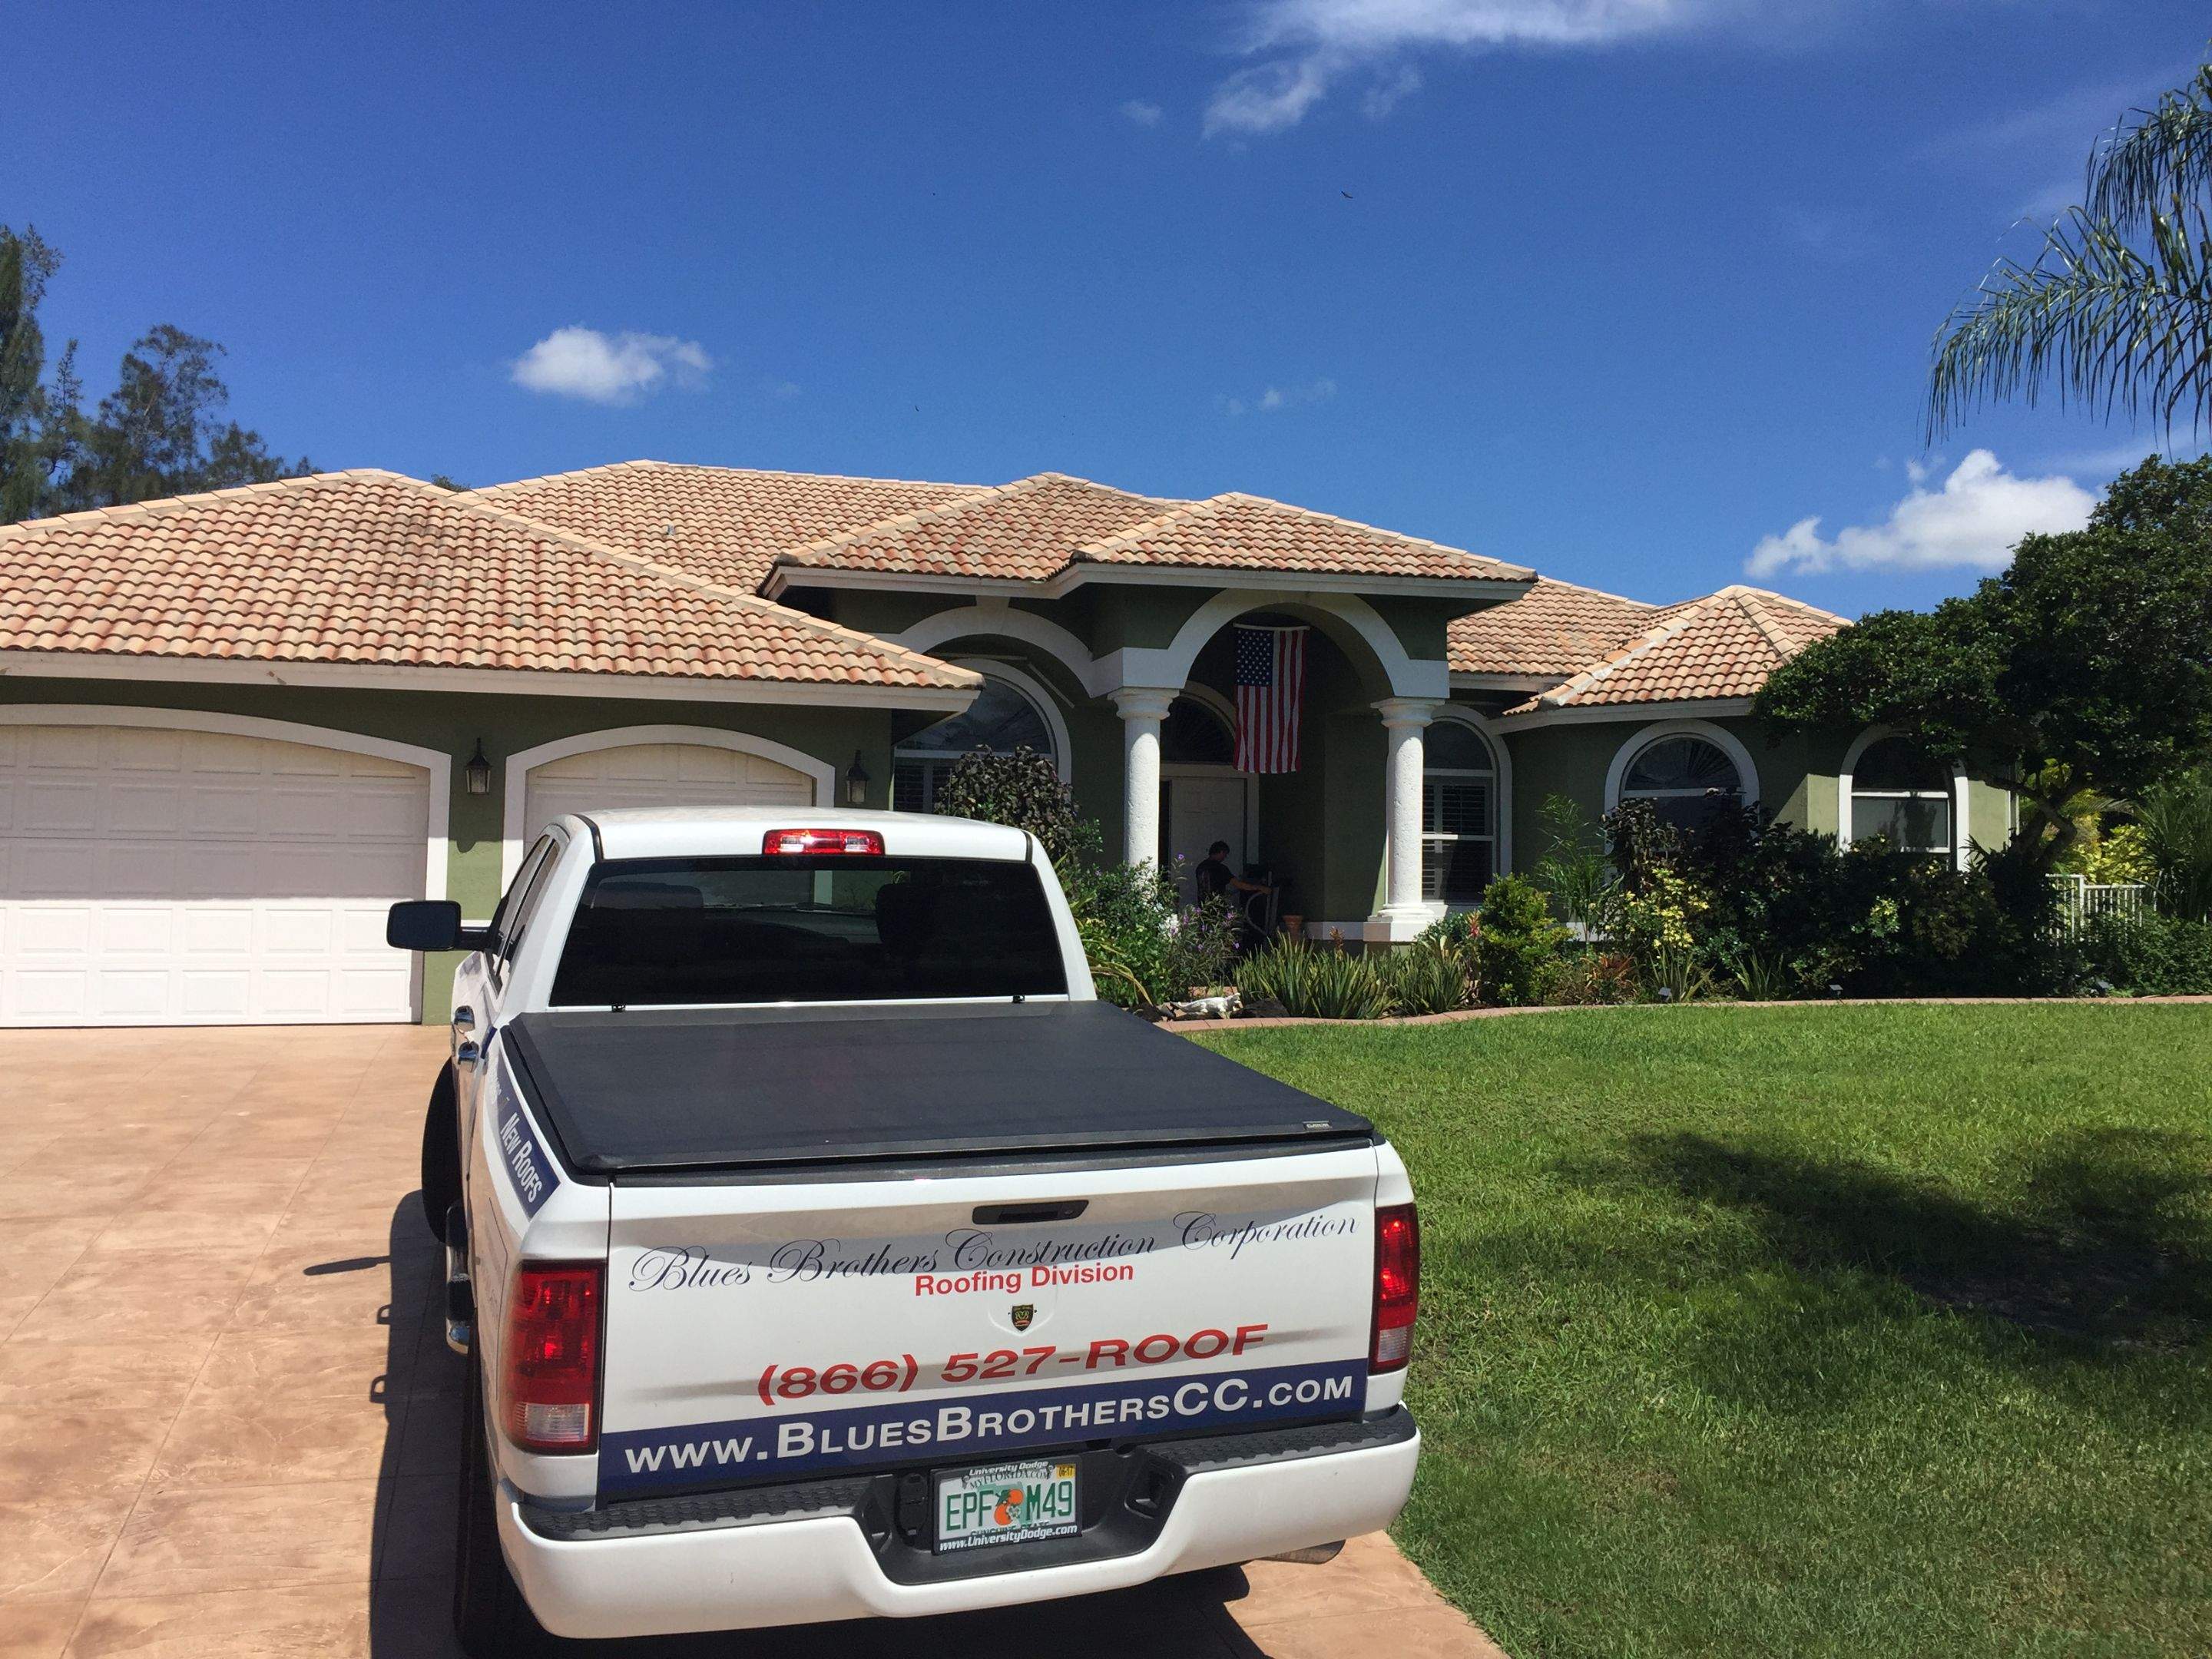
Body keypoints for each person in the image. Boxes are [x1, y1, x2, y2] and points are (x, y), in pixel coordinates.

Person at [1193, 840, 1270, 905]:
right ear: (1221, 852)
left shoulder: (1201, 867)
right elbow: (1239, 885)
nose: (1225, 857)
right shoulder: (1221, 868)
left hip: (1203, 906)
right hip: (1216, 907)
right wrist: (1260, 887)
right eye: (1225, 855)